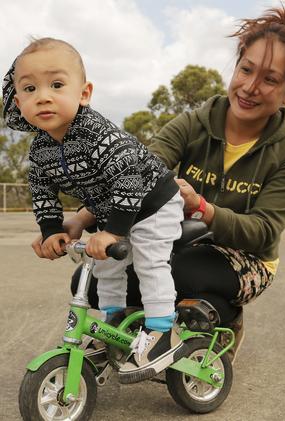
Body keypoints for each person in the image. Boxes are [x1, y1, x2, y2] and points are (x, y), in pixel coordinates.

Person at [68, 3, 285, 364]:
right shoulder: (195, 123)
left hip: (245, 257)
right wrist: (85, 217)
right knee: (88, 278)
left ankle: (223, 320)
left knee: (179, 274)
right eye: (246, 70)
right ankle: (130, 330)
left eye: (270, 80)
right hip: (180, 238)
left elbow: (263, 232)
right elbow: (138, 171)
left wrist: (203, 208)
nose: (250, 87)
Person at [2, 37, 188, 383]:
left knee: (149, 260)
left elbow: (130, 178)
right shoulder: (40, 149)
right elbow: (42, 193)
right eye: (30, 88)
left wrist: (113, 231)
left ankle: (163, 331)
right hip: (111, 208)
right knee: (105, 267)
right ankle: (112, 322)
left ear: (83, 93)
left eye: (56, 85)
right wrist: (51, 231)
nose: (43, 95)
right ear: (18, 101)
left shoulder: (96, 132)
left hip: (153, 202)